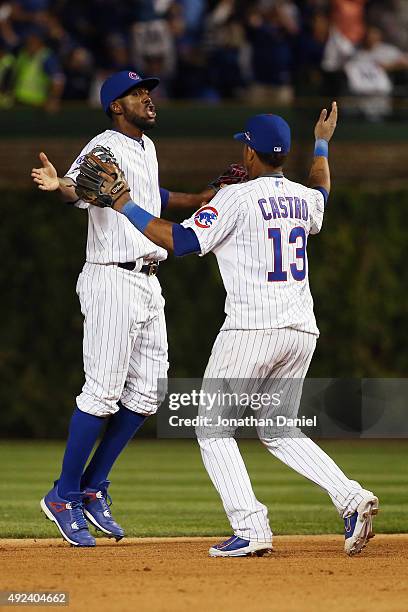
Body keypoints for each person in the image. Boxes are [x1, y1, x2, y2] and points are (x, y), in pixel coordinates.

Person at [105, 102, 379, 558]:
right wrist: (323, 142)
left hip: (251, 330)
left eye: (245, 148)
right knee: (278, 429)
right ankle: (351, 499)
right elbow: (322, 190)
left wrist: (122, 204)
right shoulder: (302, 198)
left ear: (251, 153)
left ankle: (251, 529)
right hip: (300, 331)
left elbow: (179, 241)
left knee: (212, 430)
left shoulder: (233, 198)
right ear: (283, 155)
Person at [31, 70, 214, 547]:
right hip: (112, 277)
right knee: (101, 394)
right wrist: (62, 185)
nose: (148, 98)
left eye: (148, 90)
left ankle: (91, 486)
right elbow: (79, 185)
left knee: (147, 395)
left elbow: (154, 198)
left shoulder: (145, 148)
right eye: (137, 93)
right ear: (116, 105)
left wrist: (198, 199)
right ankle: (63, 496)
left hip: (148, 281)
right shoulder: (104, 145)